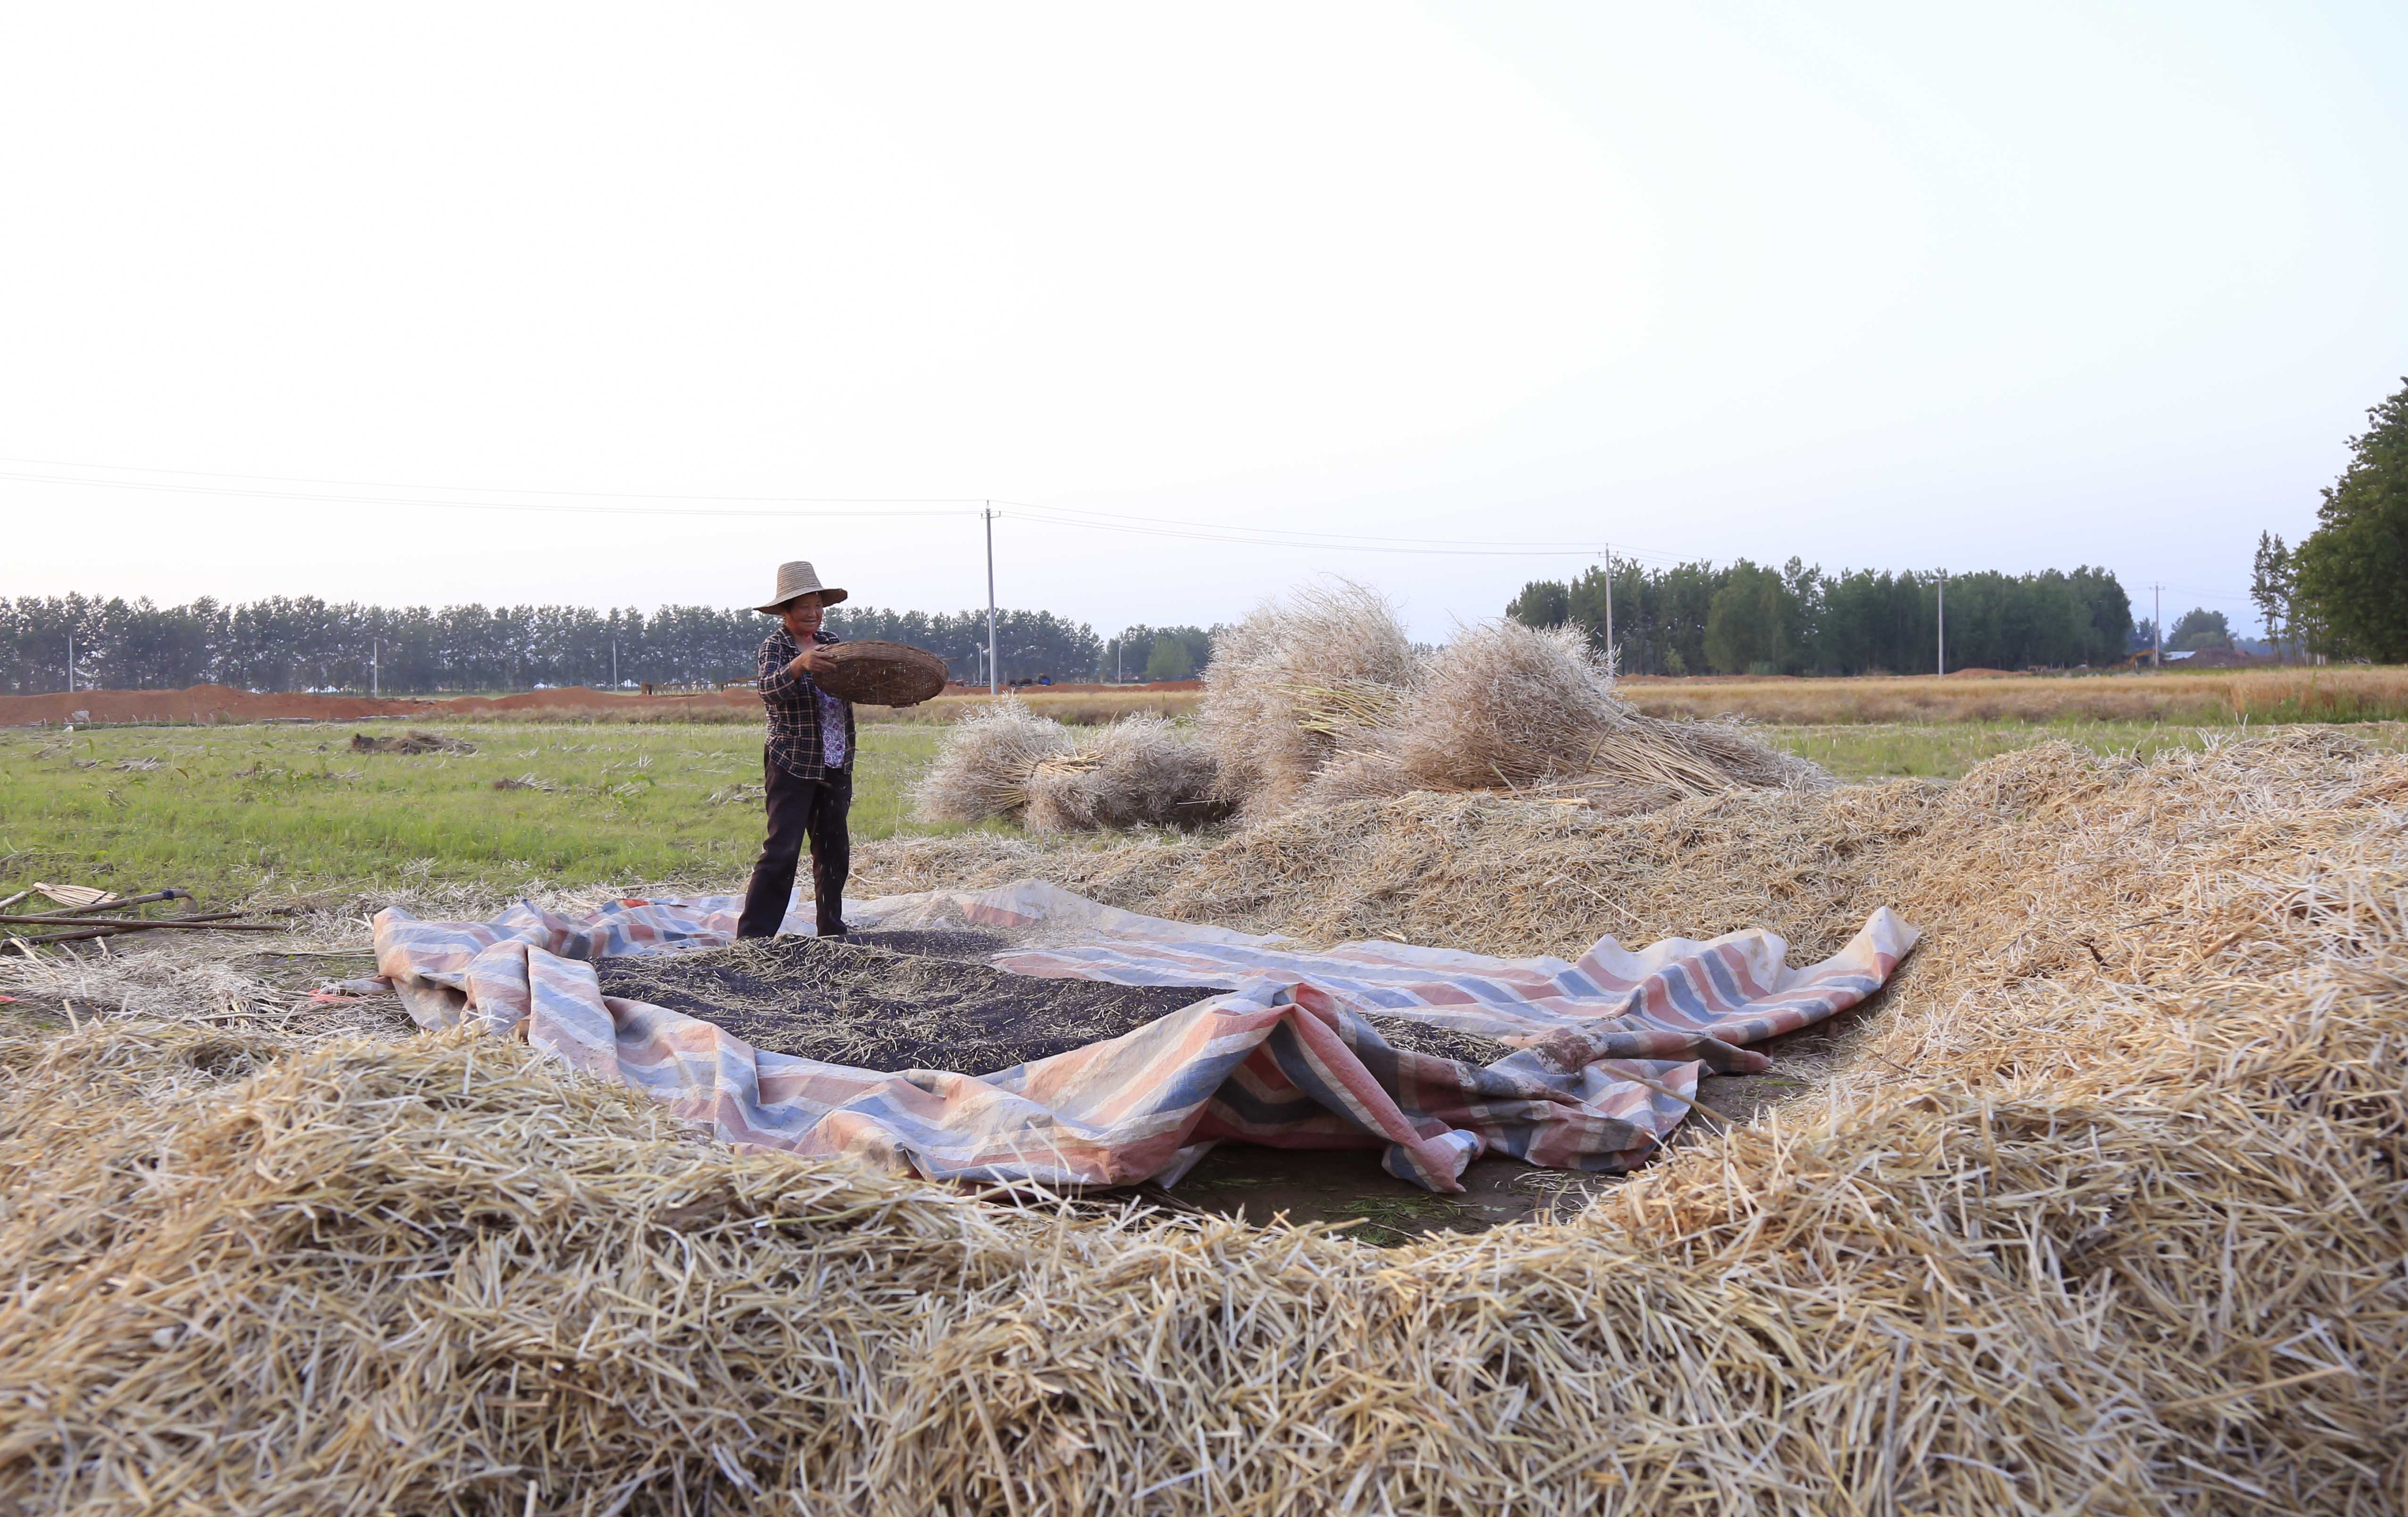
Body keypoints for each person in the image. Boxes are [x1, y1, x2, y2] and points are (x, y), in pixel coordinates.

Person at [737, 560, 855, 940]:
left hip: (836, 759)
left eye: (818, 605)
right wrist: (799, 666)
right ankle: (755, 938)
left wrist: (893, 693)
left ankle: (832, 930)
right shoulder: (776, 646)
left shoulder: (833, 644)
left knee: (834, 850)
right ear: (786, 611)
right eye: (804, 606)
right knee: (782, 850)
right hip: (792, 761)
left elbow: (858, 684)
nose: (813, 613)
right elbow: (768, 690)